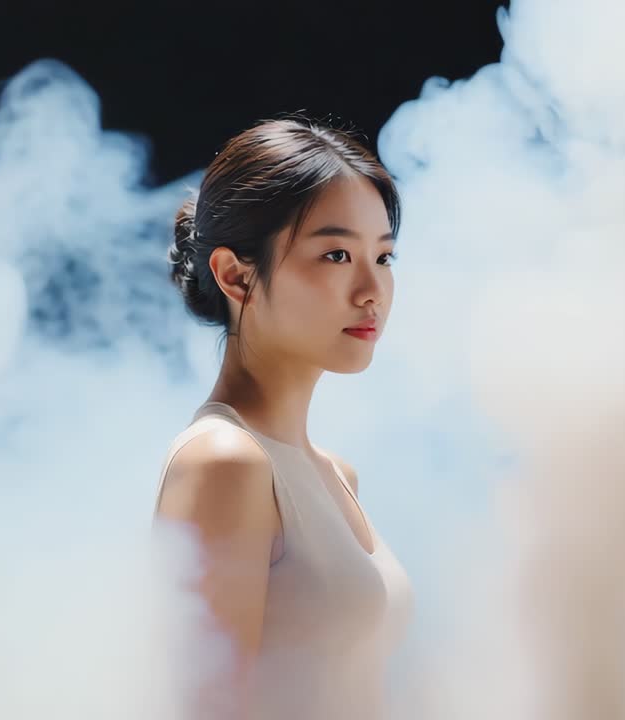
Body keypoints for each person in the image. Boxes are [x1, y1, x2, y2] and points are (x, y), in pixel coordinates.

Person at [151, 116, 414, 720]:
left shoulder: (335, 475)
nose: (372, 289)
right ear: (235, 275)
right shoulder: (226, 463)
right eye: (337, 254)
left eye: (384, 256)